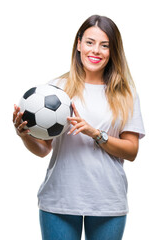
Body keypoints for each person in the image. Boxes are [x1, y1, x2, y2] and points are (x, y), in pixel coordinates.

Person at [13, 15, 145, 240]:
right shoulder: (56, 89)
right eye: (90, 42)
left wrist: (95, 133)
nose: (96, 51)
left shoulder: (125, 93)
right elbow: (44, 149)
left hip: (107, 201)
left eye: (105, 45)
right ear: (79, 44)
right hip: (59, 201)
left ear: (113, 51)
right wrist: (24, 135)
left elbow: (132, 151)